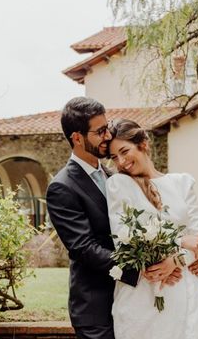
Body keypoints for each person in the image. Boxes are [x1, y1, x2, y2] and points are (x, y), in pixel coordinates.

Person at [46, 97, 190, 339]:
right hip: (96, 308)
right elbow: (84, 248)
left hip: (133, 301)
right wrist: (146, 269)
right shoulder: (63, 187)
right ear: (77, 138)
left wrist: (170, 259)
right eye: (100, 131)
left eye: (107, 126)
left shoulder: (116, 176)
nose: (107, 135)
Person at [106, 118, 198, 339]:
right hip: (143, 291)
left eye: (124, 151)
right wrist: (180, 240)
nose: (121, 162)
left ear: (143, 144)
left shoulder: (182, 183)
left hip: (185, 287)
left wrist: (175, 261)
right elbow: (125, 236)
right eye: (114, 157)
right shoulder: (119, 184)